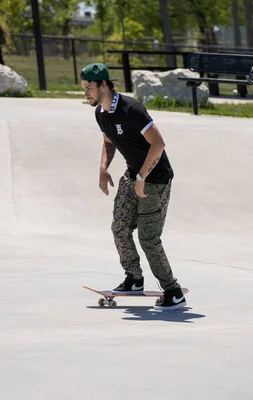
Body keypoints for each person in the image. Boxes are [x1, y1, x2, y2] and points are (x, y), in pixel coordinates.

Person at [80, 62, 187, 311]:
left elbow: (158, 144)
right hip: (132, 176)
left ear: (104, 84)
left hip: (156, 179)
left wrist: (142, 176)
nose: (86, 93)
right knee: (119, 226)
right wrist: (103, 167)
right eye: (84, 88)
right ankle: (134, 279)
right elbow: (109, 140)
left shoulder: (131, 109)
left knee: (148, 238)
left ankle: (174, 291)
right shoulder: (101, 114)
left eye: (89, 88)